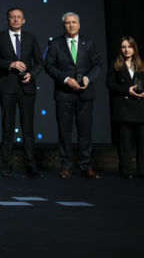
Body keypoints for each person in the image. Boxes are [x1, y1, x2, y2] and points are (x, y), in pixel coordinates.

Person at [44, 12, 103, 179]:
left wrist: (87, 78)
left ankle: (86, 166)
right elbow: (48, 65)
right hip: (64, 94)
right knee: (64, 132)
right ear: (63, 25)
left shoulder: (89, 42)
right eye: (67, 23)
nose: (71, 25)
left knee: (85, 132)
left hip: (85, 93)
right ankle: (66, 166)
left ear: (79, 24)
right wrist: (65, 79)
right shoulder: (55, 43)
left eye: (74, 22)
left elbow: (97, 65)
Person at [0, 7, 45, 177]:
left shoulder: (30, 37)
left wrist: (31, 74)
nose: (15, 20)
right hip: (7, 87)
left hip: (27, 87)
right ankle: (7, 164)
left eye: (18, 17)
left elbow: (40, 62)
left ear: (23, 20)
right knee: (8, 127)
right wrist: (10, 64)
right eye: (12, 17)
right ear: (7, 20)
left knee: (28, 128)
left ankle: (31, 165)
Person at [106, 37, 144, 178]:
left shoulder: (142, 65)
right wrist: (127, 90)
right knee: (124, 142)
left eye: (129, 46)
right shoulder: (114, 65)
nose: (126, 49)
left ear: (134, 48)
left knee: (142, 142)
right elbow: (110, 84)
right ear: (120, 49)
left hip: (140, 106)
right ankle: (126, 171)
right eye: (123, 47)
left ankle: (142, 170)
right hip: (123, 106)